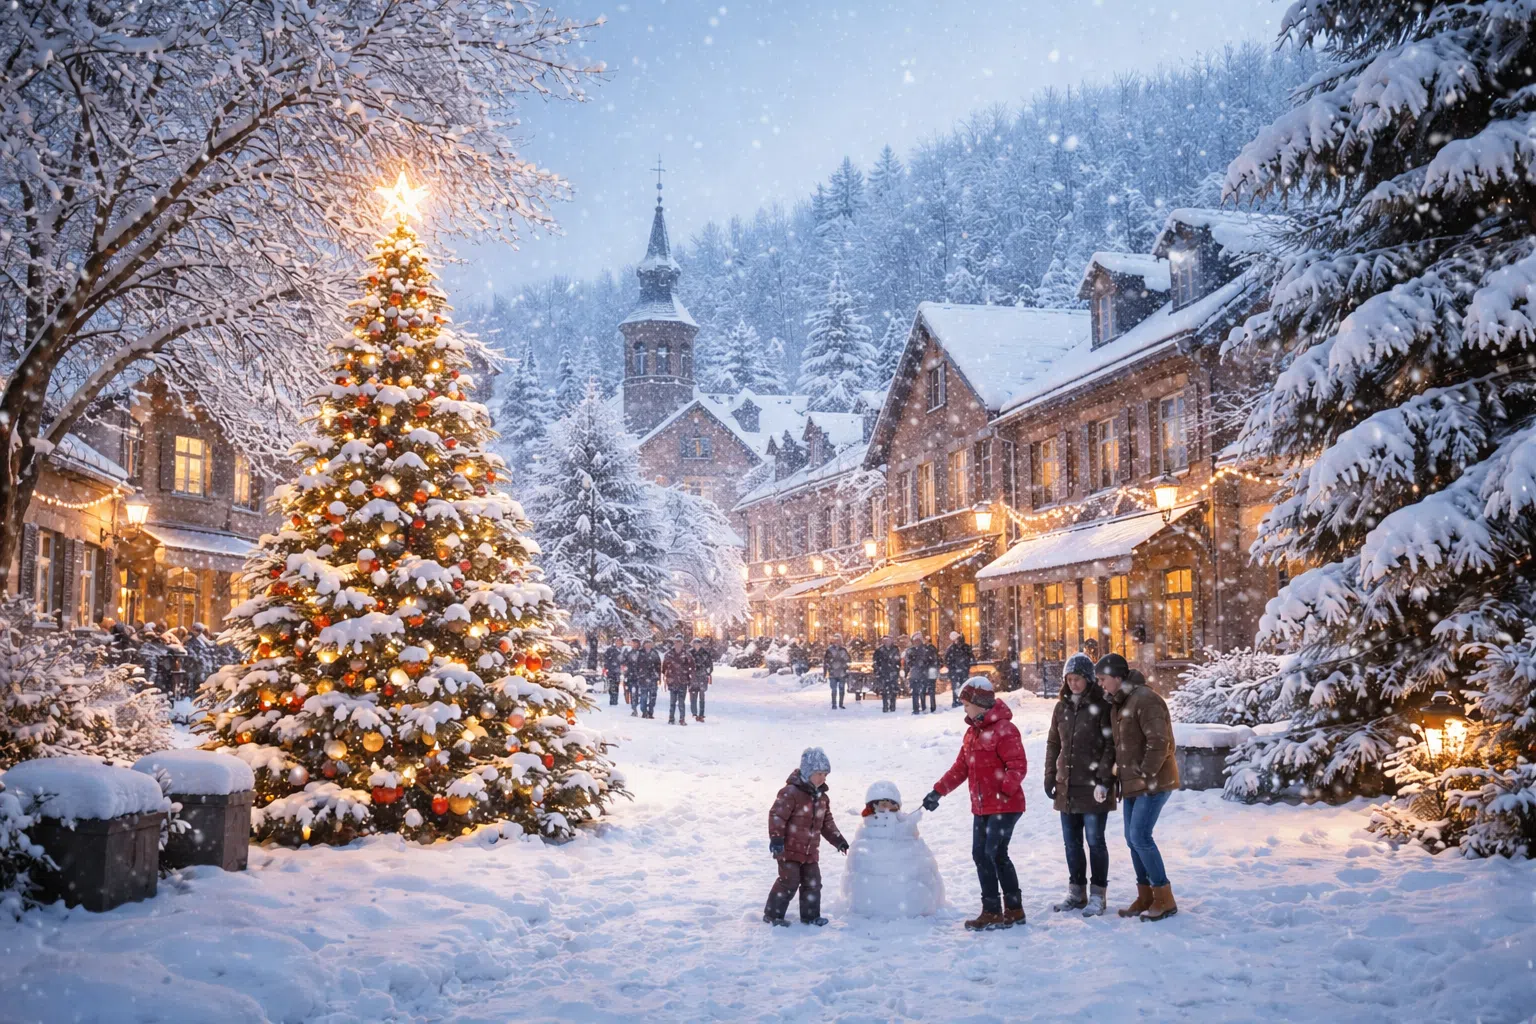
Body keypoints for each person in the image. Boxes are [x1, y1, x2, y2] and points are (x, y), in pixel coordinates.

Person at [922, 676, 1028, 930]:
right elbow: (961, 768)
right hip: (982, 807)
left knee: (994, 854)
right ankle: (994, 910)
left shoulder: (1004, 730)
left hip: (1005, 806)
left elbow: (1018, 766)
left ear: (980, 704)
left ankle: (1012, 909)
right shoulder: (972, 733)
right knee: (981, 855)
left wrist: (1004, 792)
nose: (964, 708)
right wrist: (938, 792)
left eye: (967, 703)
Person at [1096, 652, 1180, 921]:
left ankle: (1164, 898)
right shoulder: (1119, 703)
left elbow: (1160, 741)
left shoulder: (1145, 699)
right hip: (1132, 783)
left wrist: (1145, 773)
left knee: (1141, 837)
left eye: (1103, 679)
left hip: (1152, 782)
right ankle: (1145, 895)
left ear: (1118, 678)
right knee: (1133, 840)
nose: (1100, 684)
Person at [1044, 653, 1117, 917]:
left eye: (1078, 679)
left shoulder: (1102, 706)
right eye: (1069, 679)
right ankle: (1076, 891)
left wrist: (1104, 781)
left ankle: (1098, 894)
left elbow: (1110, 746)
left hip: (1093, 786)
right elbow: (1054, 743)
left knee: (1095, 841)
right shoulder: (1061, 707)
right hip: (1067, 785)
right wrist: (1050, 774)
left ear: (1088, 679)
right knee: (1071, 842)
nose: (1073, 684)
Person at [764, 747, 848, 927]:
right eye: (819, 773)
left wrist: (838, 840)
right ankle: (773, 915)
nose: (823, 777)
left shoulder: (822, 798)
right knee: (789, 882)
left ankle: (810, 916)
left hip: (810, 851)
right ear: (808, 772)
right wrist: (777, 839)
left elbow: (827, 823)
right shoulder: (790, 793)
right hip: (788, 849)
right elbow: (777, 816)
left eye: (825, 774)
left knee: (813, 883)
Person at [841, 781, 944, 919]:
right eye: (881, 804)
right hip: (870, 901)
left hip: (905, 902)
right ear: (872, 806)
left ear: (896, 806)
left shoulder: (905, 827)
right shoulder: (865, 832)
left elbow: (925, 868)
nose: (886, 809)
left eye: (889, 804)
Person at [662, 636, 694, 726]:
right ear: (674, 643)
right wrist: (667, 676)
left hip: (683, 681)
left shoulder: (687, 655)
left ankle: (682, 719)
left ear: (682, 643)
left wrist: (687, 673)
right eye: (676, 642)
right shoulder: (669, 654)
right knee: (672, 702)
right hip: (672, 681)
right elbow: (664, 668)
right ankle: (671, 718)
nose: (678, 644)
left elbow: (692, 666)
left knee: (681, 702)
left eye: (680, 642)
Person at [905, 632, 939, 714]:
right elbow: (908, 662)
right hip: (915, 674)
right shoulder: (910, 651)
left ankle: (930, 707)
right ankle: (916, 709)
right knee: (916, 692)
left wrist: (927, 667)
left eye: (918, 640)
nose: (917, 642)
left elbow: (933, 661)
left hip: (925, 674)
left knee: (926, 691)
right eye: (915, 640)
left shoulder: (928, 649)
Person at [872, 635, 902, 713]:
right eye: (885, 641)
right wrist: (878, 670)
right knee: (884, 690)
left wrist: (897, 669)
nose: (887, 642)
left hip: (893, 672)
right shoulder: (879, 650)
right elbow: (876, 661)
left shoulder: (895, 649)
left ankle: (893, 705)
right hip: (883, 672)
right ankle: (885, 705)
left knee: (893, 690)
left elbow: (898, 660)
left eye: (888, 641)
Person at [944, 631, 974, 707]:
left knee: (959, 687)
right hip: (959, 670)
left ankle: (959, 701)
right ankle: (960, 701)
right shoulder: (962, 647)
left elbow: (947, 660)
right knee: (960, 687)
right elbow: (971, 658)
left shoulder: (952, 648)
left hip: (959, 671)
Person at [635, 639, 662, 719]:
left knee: (652, 697)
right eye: (646, 644)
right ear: (644, 645)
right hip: (643, 678)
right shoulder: (640, 653)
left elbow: (658, 666)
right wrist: (639, 674)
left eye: (650, 644)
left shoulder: (655, 653)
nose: (648, 645)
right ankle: (644, 711)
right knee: (643, 696)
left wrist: (658, 677)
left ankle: (650, 712)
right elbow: (636, 665)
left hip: (653, 678)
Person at [689, 636, 713, 722]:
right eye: (695, 644)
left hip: (702, 677)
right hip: (693, 677)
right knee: (693, 696)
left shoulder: (705, 653)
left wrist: (707, 672)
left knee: (702, 696)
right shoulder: (690, 653)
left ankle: (701, 714)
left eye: (698, 644)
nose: (697, 645)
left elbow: (709, 665)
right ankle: (694, 713)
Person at [823, 634, 850, 710]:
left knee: (841, 688)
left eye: (838, 640)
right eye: (835, 640)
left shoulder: (843, 650)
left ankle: (841, 704)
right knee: (834, 689)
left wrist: (845, 667)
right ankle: (834, 704)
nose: (837, 641)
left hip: (841, 672)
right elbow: (826, 662)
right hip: (833, 673)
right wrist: (825, 672)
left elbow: (848, 660)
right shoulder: (830, 650)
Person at [622, 637, 643, 716]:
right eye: (633, 643)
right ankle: (634, 709)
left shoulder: (642, 653)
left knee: (641, 694)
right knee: (633, 694)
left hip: (641, 677)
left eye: (635, 643)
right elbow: (624, 663)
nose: (634, 645)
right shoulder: (628, 653)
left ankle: (642, 709)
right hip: (631, 676)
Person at [602, 638, 624, 706]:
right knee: (612, 685)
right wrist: (607, 667)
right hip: (611, 670)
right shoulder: (610, 650)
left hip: (618, 671)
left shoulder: (623, 650)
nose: (618, 643)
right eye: (617, 641)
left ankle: (615, 700)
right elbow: (606, 658)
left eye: (619, 642)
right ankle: (612, 700)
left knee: (616, 685)